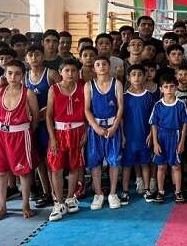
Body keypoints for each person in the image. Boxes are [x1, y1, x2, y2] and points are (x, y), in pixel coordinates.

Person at [0, 60, 39, 220]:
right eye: (10, 73)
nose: (13, 77)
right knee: (1, 171)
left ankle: (25, 205)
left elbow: (35, 118)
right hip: (1, 135)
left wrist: (25, 131)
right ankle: (2, 207)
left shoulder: (28, 94)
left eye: (17, 73)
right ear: (5, 74)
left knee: (23, 173)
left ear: (23, 75)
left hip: (20, 135)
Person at [46, 59, 85, 222]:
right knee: (56, 168)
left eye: (73, 71)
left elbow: (88, 111)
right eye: (66, 70)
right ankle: (59, 202)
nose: (70, 74)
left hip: (78, 130)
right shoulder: (54, 89)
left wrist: (86, 131)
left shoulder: (82, 88)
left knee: (74, 166)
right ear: (60, 72)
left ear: (77, 73)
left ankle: (70, 198)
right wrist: (52, 137)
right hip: (59, 132)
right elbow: (48, 115)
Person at [84, 56, 124, 210]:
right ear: (94, 68)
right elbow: (87, 109)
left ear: (109, 66)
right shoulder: (89, 85)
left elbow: (120, 107)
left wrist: (114, 126)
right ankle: (98, 194)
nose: (101, 67)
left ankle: (113, 193)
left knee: (114, 161)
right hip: (96, 129)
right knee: (95, 162)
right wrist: (95, 127)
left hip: (113, 127)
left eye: (104, 64)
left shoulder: (117, 84)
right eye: (98, 64)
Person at [25, 44, 58, 208]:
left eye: (37, 54)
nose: (34, 58)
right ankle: (46, 192)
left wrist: (48, 110)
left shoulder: (51, 74)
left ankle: (55, 193)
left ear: (43, 56)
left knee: (50, 159)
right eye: (30, 55)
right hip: (33, 123)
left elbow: (62, 94)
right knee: (38, 160)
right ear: (26, 58)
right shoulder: (24, 77)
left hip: (48, 123)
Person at [150, 75, 187, 204]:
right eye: (166, 87)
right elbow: (153, 124)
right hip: (161, 137)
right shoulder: (157, 105)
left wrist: (181, 142)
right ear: (161, 89)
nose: (169, 89)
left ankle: (178, 191)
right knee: (161, 166)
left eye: (172, 86)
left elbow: (185, 123)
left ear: (176, 87)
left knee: (176, 166)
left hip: (175, 137)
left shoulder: (181, 104)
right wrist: (155, 142)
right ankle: (160, 191)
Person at [121, 65, 155, 205]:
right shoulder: (124, 97)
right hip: (129, 137)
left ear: (144, 76)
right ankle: (125, 191)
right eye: (133, 74)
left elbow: (154, 119)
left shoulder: (149, 96)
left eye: (140, 74)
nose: (136, 77)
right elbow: (121, 118)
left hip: (145, 136)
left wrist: (151, 134)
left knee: (145, 163)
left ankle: (147, 189)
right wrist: (122, 136)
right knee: (127, 165)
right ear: (128, 78)